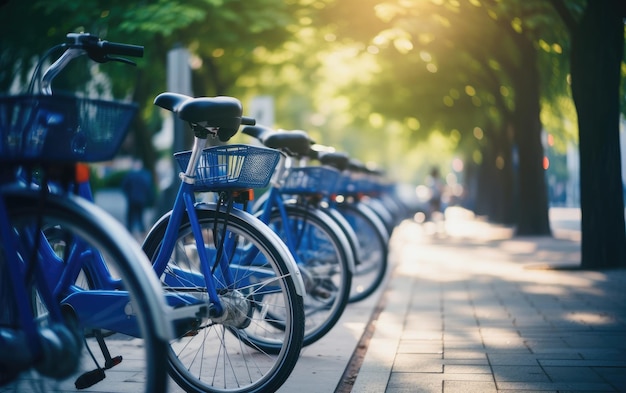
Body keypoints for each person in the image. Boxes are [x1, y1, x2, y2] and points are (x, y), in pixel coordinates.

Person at [121, 160, 153, 235]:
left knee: (130, 218)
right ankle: (142, 234)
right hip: (141, 200)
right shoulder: (144, 175)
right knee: (140, 217)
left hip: (132, 199)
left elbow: (124, 186)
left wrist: (128, 195)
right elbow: (148, 188)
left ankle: (129, 233)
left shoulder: (130, 175)